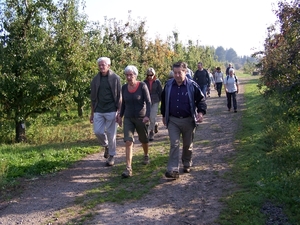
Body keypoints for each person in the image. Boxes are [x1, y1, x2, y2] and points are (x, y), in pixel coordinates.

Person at [161, 61, 207, 179]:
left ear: (185, 72)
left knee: (187, 145)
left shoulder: (192, 85)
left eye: (179, 73)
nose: (176, 75)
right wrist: (163, 115)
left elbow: (201, 100)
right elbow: (164, 101)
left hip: (188, 120)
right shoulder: (169, 85)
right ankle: (173, 170)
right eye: (175, 73)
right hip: (173, 121)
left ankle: (186, 162)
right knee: (174, 144)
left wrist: (201, 113)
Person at [117, 65, 151, 178]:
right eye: (127, 75)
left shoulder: (142, 86)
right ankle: (128, 168)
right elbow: (123, 104)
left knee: (144, 139)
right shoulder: (124, 87)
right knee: (128, 141)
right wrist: (120, 116)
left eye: (131, 75)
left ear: (135, 75)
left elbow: (149, 102)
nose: (129, 77)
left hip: (141, 118)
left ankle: (146, 154)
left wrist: (147, 116)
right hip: (128, 118)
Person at [90, 57, 122, 166]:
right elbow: (93, 98)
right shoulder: (95, 79)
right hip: (98, 109)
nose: (101, 67)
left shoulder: (115, 78)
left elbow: (119, 96)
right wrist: (92, 113)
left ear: (109, 66)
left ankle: (112, 156)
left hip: (111, 109)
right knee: (97, 131)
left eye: (103, 65)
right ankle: (106, 146)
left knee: (111, 133)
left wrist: (119, 111)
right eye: (100, 65)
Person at [144, 68, 163, 141]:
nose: (150, 76)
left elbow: (160, 92)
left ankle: (151, 132)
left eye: (151, 75)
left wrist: (162, 102)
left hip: (155, 100)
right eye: (148, 75)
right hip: (147, 101)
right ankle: (155, 124)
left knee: (152, 116)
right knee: (147, 117)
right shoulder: (145, 82)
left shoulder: (157, 82)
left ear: (154, 74)